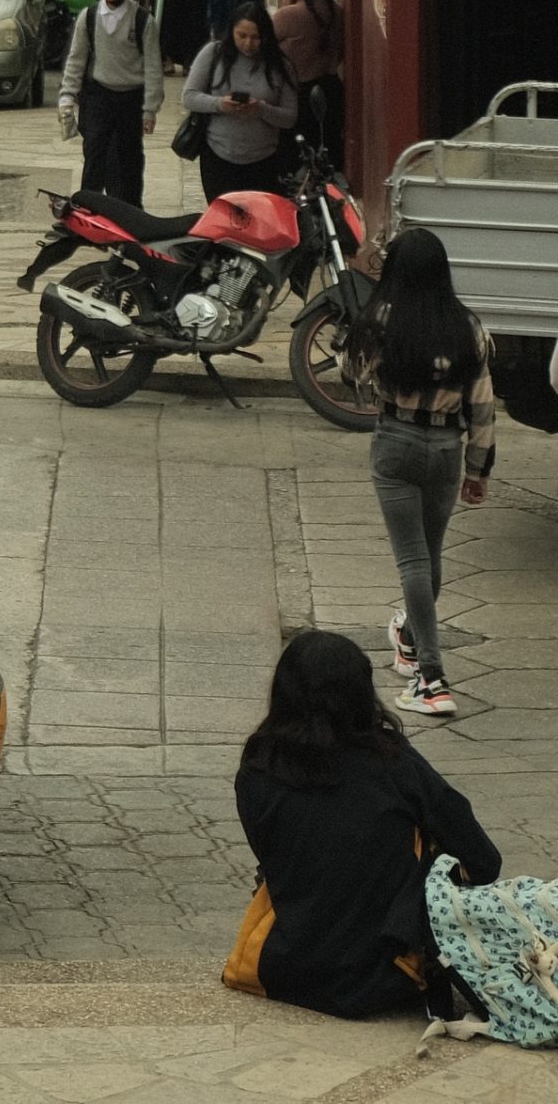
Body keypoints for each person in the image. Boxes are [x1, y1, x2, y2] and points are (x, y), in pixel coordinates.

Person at [233, 628, 501, 1016]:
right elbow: (483, 860)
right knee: (434, 841)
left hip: (284, 968)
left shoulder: (257, 769)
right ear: (362, 694)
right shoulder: (393, 762)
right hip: (388, 978)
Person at [343, 228, 497, 718]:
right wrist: (479, 469)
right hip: (447, 449)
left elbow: (352, 374)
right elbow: (483, 405)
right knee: (429, 556)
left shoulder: (380, 320)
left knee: (412, 561)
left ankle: (432, 678)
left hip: (396, 442)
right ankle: (409, 642)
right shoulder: (467, 326)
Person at [56, 0, 163, 205]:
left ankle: (128, 211)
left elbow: (153, 67)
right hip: (98, 96)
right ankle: (88, 209)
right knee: (94, 153)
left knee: (128, 158)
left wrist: (150, 109)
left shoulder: (142, 20)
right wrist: (67, 96)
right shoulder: (89, 16)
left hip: (130, 98)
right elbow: (76, 59)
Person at [182, 2, 297, 200]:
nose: (248, 44)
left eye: (255, 37)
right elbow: (190, 96)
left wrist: (261, 109)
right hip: (218, 157)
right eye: (241, 36)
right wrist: (220, 105)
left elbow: (289, 117)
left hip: (264, 161)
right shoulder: (213, 54)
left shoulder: (280, 66)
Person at [274, 0, 346, 166]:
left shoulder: (288, 16)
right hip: (332, 89)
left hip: (299, 93)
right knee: (328, 151)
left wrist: (285, 5)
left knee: (293, 156)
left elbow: (264, 46)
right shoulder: (338, 12)